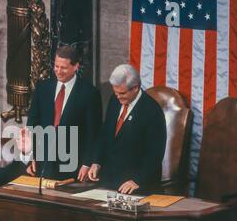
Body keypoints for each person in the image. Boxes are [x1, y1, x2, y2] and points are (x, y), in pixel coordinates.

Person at [26, 45, 102, 181]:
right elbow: (32, 123)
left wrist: (87, 163)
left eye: (64, 68)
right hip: (43, 162)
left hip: (73, 164)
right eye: (56, 66)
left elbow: (94, 134)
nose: (58, 71)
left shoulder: (90, 93)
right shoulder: (43, 88)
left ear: (75, 66)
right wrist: (30, 156)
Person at [88, 64, 166, 194]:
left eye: (122, 93)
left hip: (135, 184)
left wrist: (137, 180)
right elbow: (105, 134)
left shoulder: (152, 110)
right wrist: (96, 162)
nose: (118, 97)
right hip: (108, 181)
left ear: (135, 88)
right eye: (116, 92)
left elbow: (155, 154)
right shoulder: (115, 100)